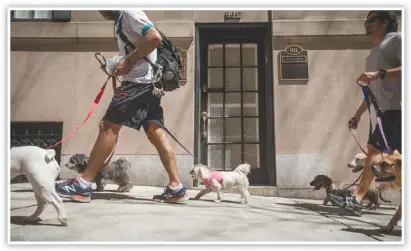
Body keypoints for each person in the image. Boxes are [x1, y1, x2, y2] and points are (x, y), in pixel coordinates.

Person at [55, 10, 187, 203]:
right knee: (154, 131)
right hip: (148, 85)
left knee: (108, 126)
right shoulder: (122, 19)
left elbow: (153, 37)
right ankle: (176, 187)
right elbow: (138, 48)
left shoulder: (128, 12)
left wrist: (128, 61)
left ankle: (83, 185)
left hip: (137, 84)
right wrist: (117, 64)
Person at [329, 11, 402, 215]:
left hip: (400, 108)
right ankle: (358, 196)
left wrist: (380, 74)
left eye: (371, 20)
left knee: (374, 150)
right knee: (375, 151)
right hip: (386, 111)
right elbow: (371, 91)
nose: (367, 24)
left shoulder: (397, 40)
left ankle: (358, 197)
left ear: (385, 22)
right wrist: (358, 114)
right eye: (366, 20)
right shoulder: (372, 53)